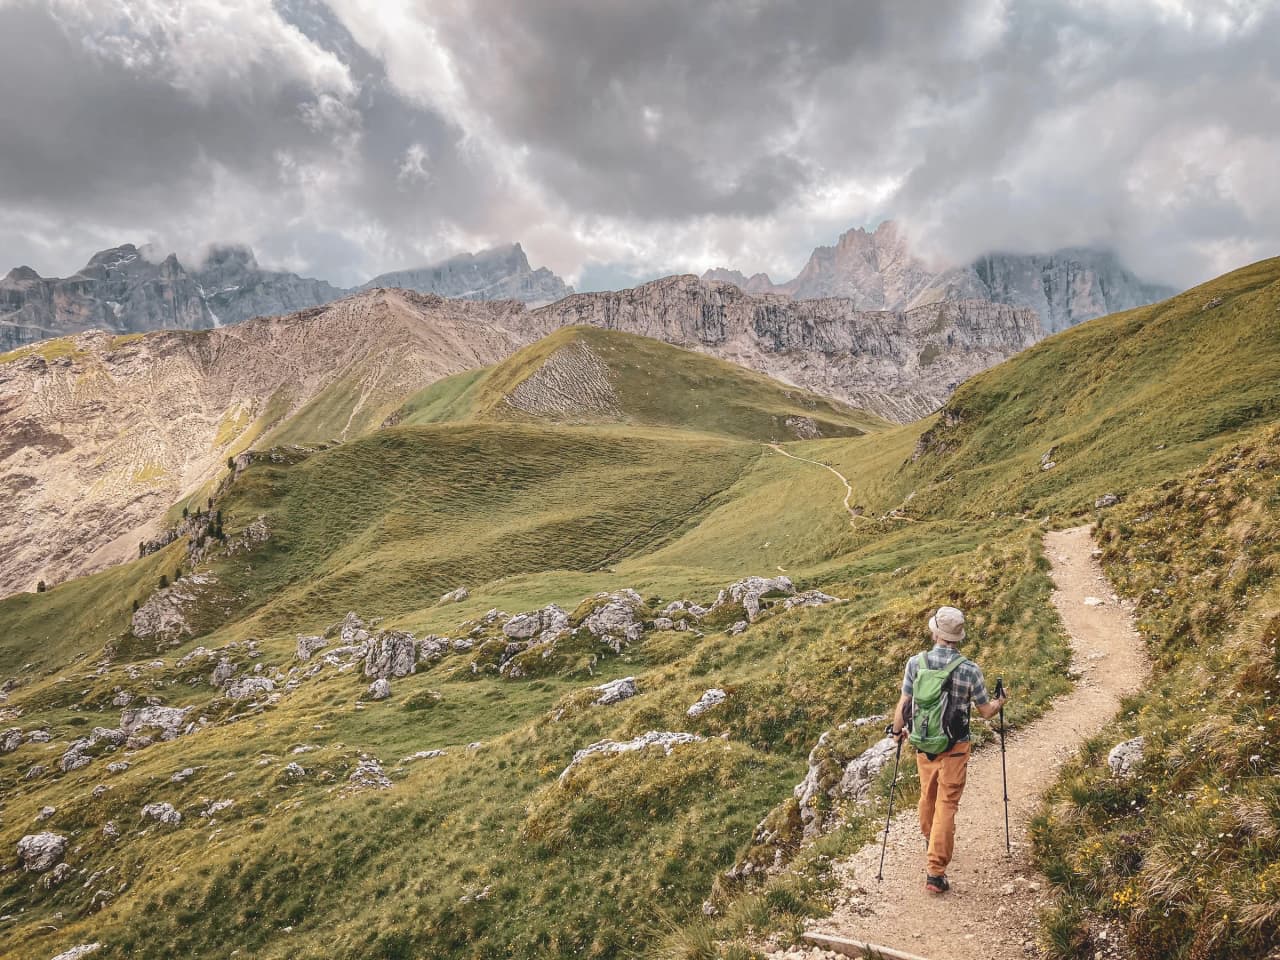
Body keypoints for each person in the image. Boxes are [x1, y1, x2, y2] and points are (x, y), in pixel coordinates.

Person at [890, 605, 1008, 894]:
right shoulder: (970, 669)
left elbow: (905, 704)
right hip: (956, 746)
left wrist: (896, 732)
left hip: (923, 743)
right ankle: (935, 873)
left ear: (935, 633)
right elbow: (985, 712)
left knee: (927, 795)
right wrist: (1001, 701)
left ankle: (931, 839)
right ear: (958, 637)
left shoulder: (915, 663)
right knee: (947, 804)